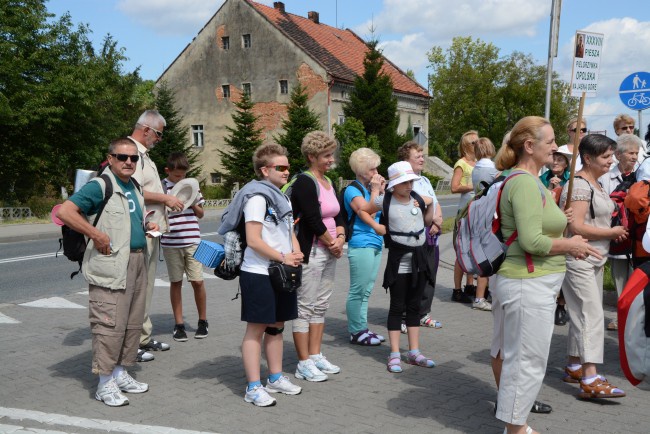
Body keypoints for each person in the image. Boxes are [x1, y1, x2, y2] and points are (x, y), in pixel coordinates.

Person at [491, 116, 600, 433]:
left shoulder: (530, 181)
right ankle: (515, 429)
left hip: (532, 283)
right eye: (550, 141)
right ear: (529, 146)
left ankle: (518, 426)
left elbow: (537, 228)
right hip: (528, 283)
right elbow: (531, 241)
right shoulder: (524, 182)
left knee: (525, 362)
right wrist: (570, 244)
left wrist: (560, 222)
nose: (556, 148)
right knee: (526, 364)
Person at [56, 138, 160, 407]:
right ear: (110, 158)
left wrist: (145, 225)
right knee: (109, 325)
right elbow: (65, 211)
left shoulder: (134, 186)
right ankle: (104, 383)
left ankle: (120, 373)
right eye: (122, 157)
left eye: (133, 158)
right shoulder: (100, 185)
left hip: (137, 261)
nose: (128, 162)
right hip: (110, 265)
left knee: (132, 323)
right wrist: (95, 234)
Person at [219, 143, 304, 407]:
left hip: (282, 271)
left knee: (277, 327)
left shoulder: (282, 197)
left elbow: (288, 230)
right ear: (265, 170)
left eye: (288, 167)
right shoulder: (257, 198)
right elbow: (254, 240)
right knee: (255, 330)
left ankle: (275, 377)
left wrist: (297, 253)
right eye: (281, 167)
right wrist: (283, 257)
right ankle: (253, 387)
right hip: (258, 273)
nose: (287, 171)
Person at [560, 134, 628, 400]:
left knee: (582, 313)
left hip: (594, 258)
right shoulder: (578, 185)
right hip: (580, 258)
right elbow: (574, 226)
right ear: (587, 158)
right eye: (606, 156)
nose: (611, 161)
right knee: (591, 315)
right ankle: (590, 377)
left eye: (611, 155)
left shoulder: (595, 183)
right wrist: (610, 233)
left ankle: (574, 365)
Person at [368, 161, 435, 373]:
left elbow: (428, 214)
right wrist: (376, 226)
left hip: (419, 261)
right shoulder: (385, 200)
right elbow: (364, 210)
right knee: (397, 306)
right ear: (393, 185)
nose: (409, 186)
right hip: (399, 262)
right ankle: (395, 353)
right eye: (404, 182)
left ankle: (414, 352)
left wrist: (429, 207)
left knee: (414, 306)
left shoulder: (417, 198)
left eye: (411, 181)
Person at [289, 131, 345, 382]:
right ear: (311, 156)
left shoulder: (329, 181)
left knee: (321, 304)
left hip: (330, 250)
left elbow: (339, 215)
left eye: (331, 154)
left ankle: (315, 354)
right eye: (326, 155)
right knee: (305, 306)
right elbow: (311, 218)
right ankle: (302, 362)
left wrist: (341, 238)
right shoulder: (304, 181)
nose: (331, 160)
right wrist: (332, 242)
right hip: (312, 251)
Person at [130, 110, 184, 362]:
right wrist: (166, 197)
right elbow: (135, 191)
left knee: (147, 287)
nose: (160, 139)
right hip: (140, 231)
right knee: (137, 287)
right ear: (146, 129)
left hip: (152, 232)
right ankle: (131, 343)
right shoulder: (131, 154)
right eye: (159, 134)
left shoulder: (144, 156)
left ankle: (142, 336)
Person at [160, 153, 208, 341]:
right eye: (176, 176)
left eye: (183, 175)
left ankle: (203, 321)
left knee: (197, 281)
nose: (180, 179)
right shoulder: (161, 187)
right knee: (176, 282)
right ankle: (179, 324)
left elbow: (201, 214)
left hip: (192, 240)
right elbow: (156, 211)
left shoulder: (191, 185)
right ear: (168, 171)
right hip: (171, 242)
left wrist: (193, 201)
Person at [398, 141, 443, 329]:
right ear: (406, 161)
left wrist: (438, 220)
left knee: (429, 275)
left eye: (422, 156)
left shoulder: (424, 181)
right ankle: (403, 316)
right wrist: (428, 221)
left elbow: (435, 202)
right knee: (411, 277)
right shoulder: (404, 184)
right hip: (414, 237)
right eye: (418, 156)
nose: (422, 159)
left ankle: (423, 313)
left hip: (431, 235)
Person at [344, 148, 387, 346]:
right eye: (372, 169)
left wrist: (382, 190)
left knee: (367, 290)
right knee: (358, 289)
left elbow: (382, 207)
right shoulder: (352, 190)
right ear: (361, 170)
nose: (376, 172)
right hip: (361, 243)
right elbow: (366, 210)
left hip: (376, 242)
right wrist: (377, 191)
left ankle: (362, 328)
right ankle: (356, 330)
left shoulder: (370, 188)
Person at [598, 134, 640, 329]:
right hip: (615, 235)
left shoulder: (641, 175)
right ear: (619, 154)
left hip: (636, 236)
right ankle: (620, 316)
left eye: (636, 153)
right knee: (619, 279)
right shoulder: (607, 177)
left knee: (636, 278)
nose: (634, 156)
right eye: (631, 152)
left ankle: (635, 316)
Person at [470, 137, 498, 312]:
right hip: (490, 213)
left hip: (477, 211)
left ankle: (481, 295)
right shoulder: (493, 169)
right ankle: (480, 297)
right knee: (490, 255)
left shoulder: (476, 168)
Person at [451, 130, 478, 303]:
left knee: (474, 250)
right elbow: (454, 187)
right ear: (467, 145)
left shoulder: (479, 163)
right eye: (475, 142)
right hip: (465, 211)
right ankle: (457, 289)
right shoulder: (461, 163)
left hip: (478, 210)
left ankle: (470, 285)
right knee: (462, 250)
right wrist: (472, 185)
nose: (478, 144)